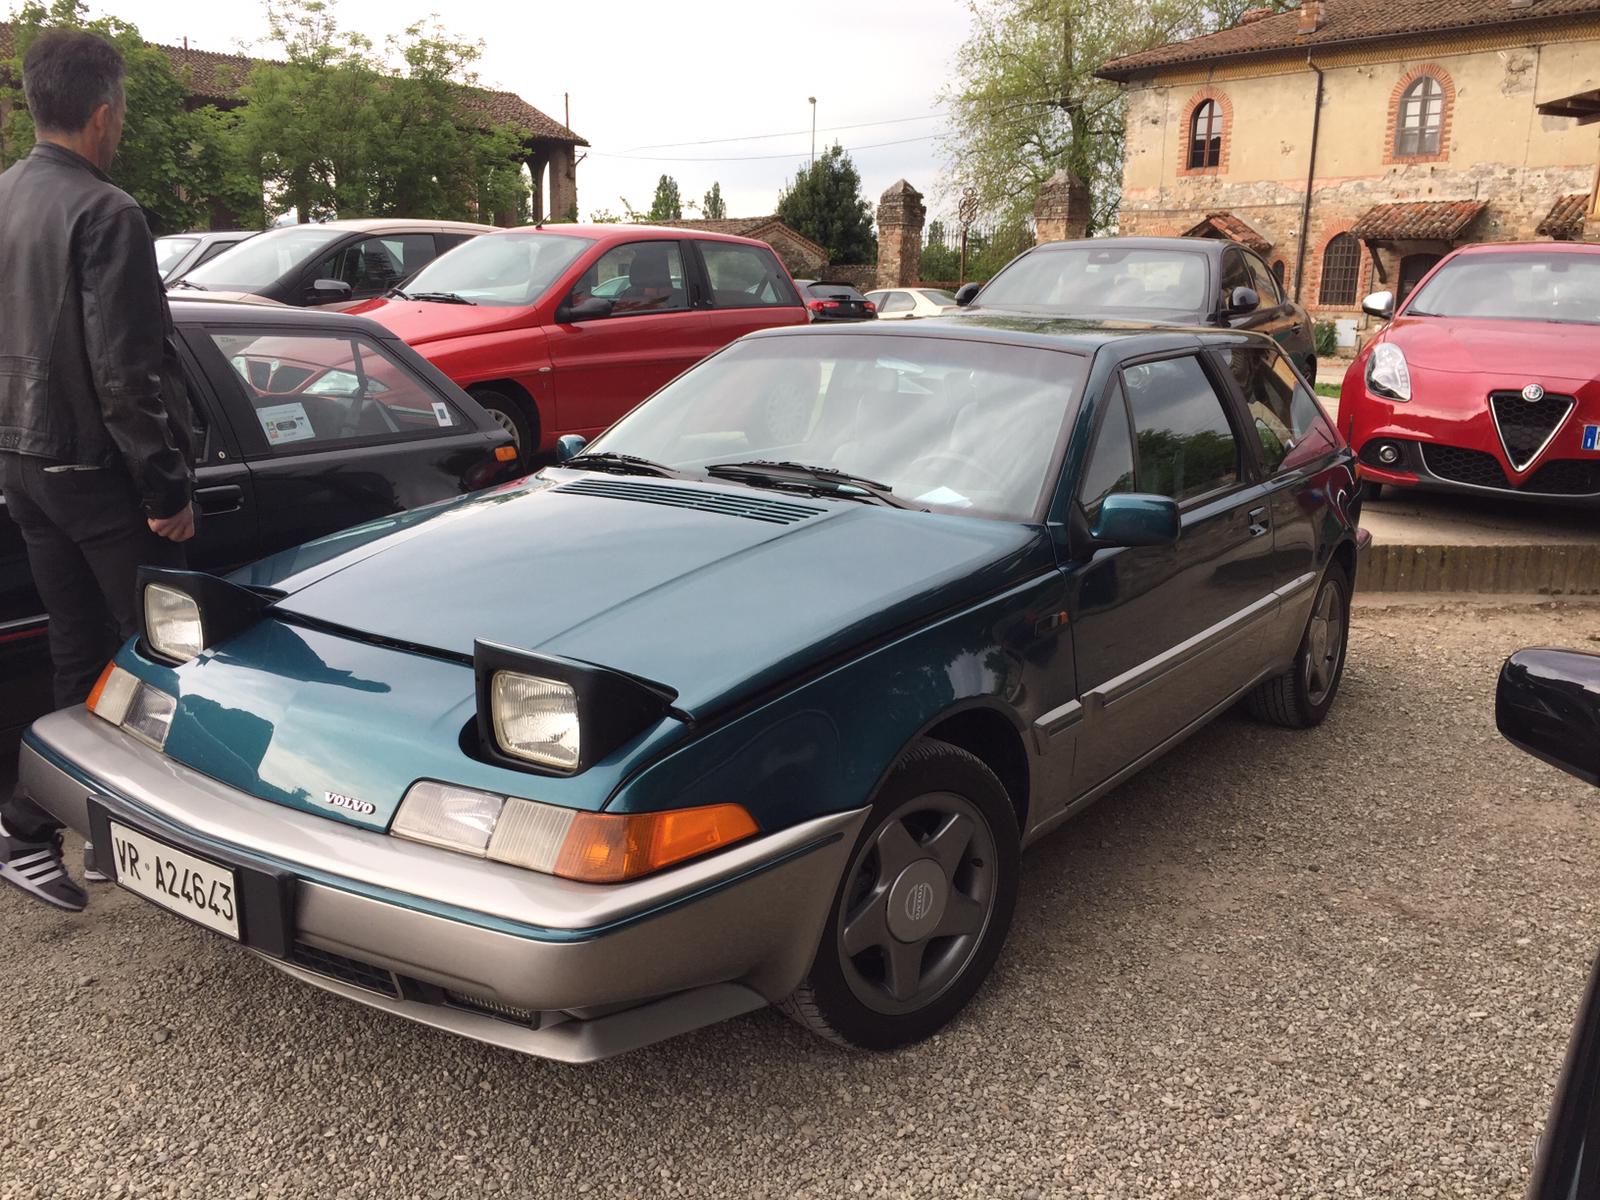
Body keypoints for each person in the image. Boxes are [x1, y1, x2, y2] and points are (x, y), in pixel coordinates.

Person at [0, 29, 196, 911]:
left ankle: (52, 829)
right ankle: (139, 838)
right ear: (105, 112)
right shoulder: (106, 211)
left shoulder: (5, 196)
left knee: (79, 651)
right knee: (168, 654)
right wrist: (166, 489)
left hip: (24, 464)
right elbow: (128, 371)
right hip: (95, 470)